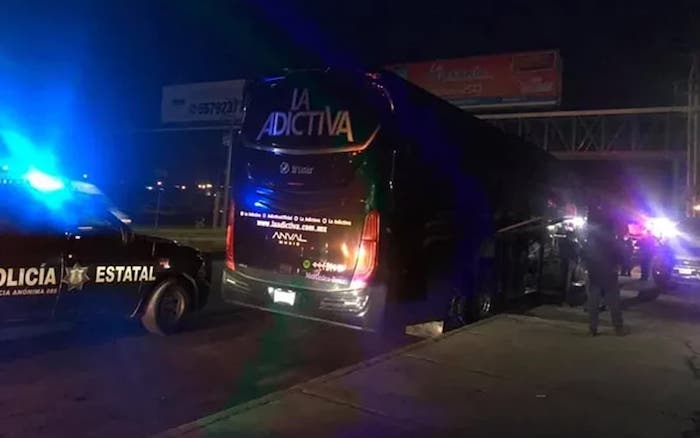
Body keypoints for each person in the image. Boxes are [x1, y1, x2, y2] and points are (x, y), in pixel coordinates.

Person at [582, 201, 626, 336]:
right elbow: (619, 255)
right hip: (609, 273)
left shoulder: (592, 240)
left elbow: (585, 254)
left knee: (593, 302)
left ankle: (593, 328)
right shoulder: (611, 241)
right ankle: (618, 327)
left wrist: (588, 266)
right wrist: (618, 265)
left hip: (595, 274)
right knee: (613, 302)